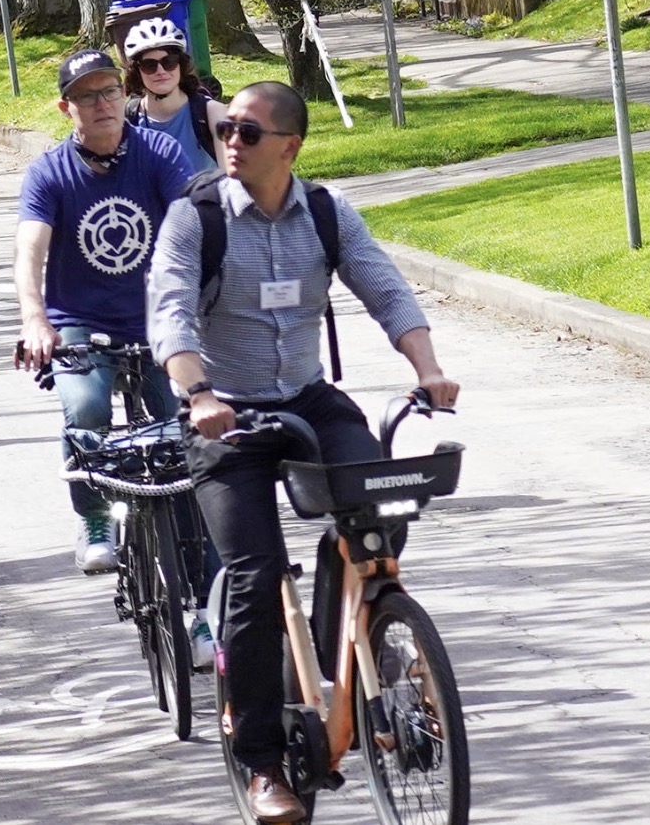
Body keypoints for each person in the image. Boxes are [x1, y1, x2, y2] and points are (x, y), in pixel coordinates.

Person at [150, 81, 459, 825]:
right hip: (226, 409)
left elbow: (384, 287)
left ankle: (363, 657)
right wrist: (197, 396)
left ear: (289, 146)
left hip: (309, 398)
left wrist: (428, 368)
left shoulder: (325, 211)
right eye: (226, 129)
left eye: (249, 133)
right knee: (254, 574)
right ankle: (261, 759)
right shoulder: (195, 218)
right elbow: (170, 310)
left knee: (378, 520)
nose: (231, 142)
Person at [12, 47, 211, 661]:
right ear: (66, 106)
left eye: (108, 93)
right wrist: (35, 319)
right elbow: (31, 250)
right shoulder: (49, 172)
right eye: (87, 96)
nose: (102, 105)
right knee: (88, 406)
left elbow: (192, 225)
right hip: (80, 324)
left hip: (158, 323)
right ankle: (95, 517)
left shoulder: (159, 154)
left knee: (182, 454)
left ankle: (203, 615)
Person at [121, 16, 224, 182]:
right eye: (149, 65)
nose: (160, 71)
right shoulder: (127, 119)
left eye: (168, 62)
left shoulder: (212, 112)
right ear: (137, 73)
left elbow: (232, 182)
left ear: (181, 65)